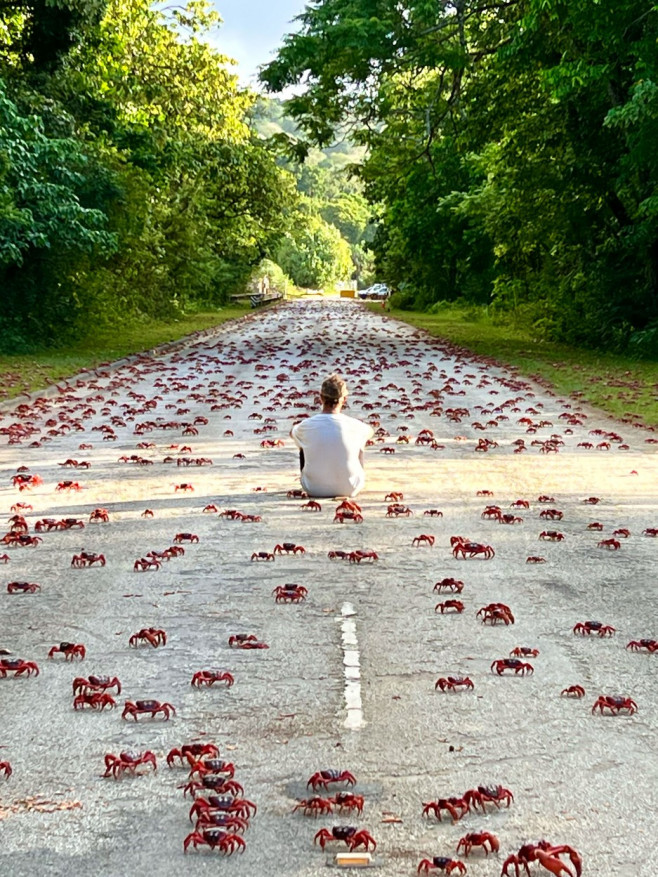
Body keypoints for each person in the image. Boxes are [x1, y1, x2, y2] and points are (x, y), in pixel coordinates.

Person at [290, 374, 374, 497]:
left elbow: (292, 433)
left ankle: (315, 476)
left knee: (303, 441)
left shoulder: (305, 426)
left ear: (321, 398)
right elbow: (370, 432)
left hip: (313, 488)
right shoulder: (356, 425)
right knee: (359, 442)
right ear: (344, 399)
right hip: (350, 488)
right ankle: (347, 476)